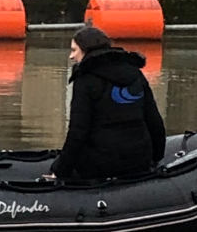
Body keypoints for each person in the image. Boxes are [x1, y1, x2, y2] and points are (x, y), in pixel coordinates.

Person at [48, 24, 166, 181]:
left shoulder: (86, 80)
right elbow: (154, 121)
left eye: (74, 50)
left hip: (102, 163)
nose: (71, 56)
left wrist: (59, 170)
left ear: (86, 50)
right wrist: (156, 159)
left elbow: (78, 131)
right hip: (139, 160)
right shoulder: (135, 74)